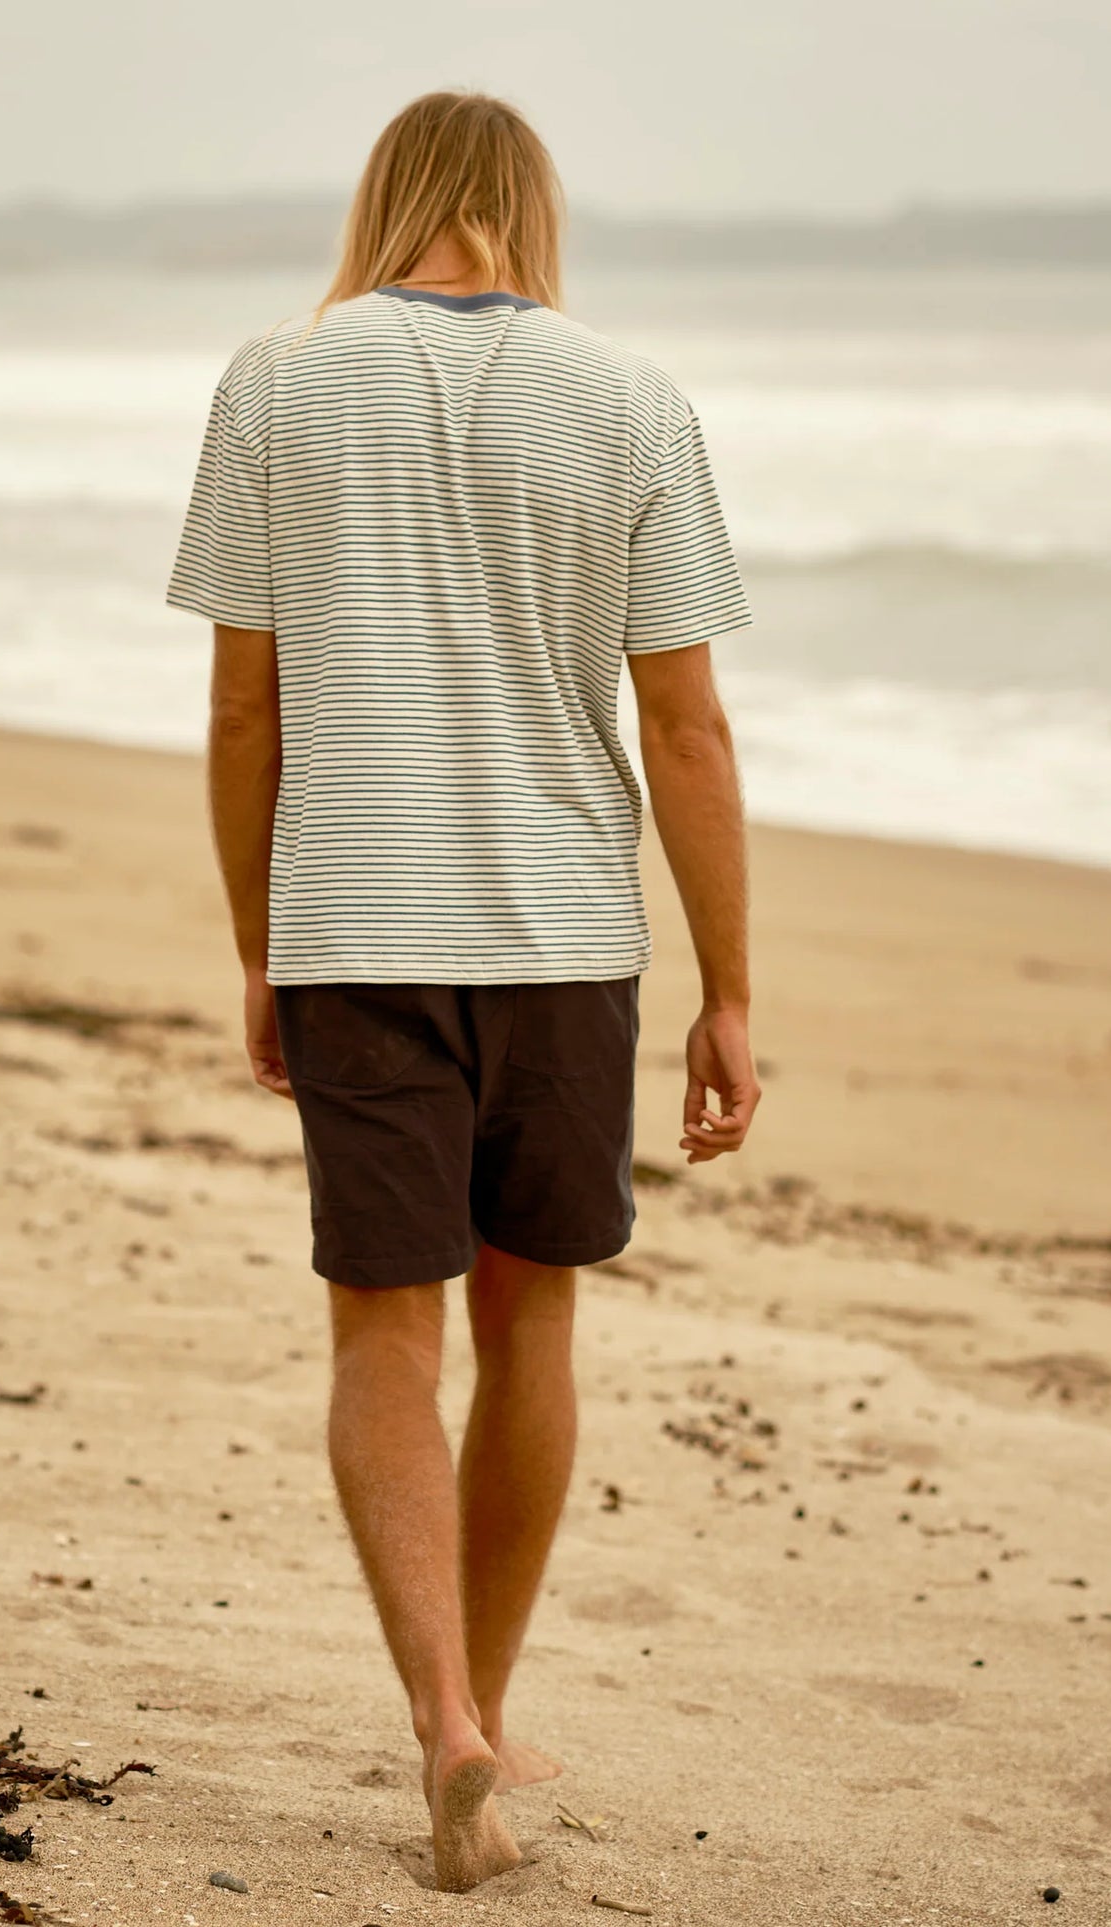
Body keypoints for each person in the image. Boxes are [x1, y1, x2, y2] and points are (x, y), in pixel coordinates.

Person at [165, 88, 761, 1893]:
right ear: (527, 208)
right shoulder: (633, 396)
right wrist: (731, 987)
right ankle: (485, 1714)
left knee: (381, 1331)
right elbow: (684, 724)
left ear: (391, 198)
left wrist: (259, 944)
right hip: (566, 936)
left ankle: (440, 1722)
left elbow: (243, 708)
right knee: (534, 1330)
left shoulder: (274, 378)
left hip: (356, 921)